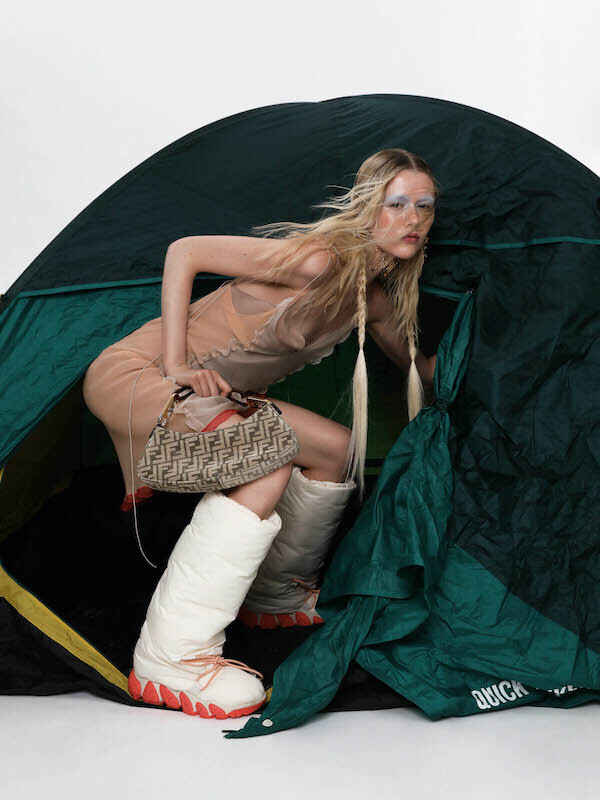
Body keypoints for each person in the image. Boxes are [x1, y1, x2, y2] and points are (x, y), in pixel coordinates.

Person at [82, 147, 439, 720]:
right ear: (368, 206)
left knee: (337, 449)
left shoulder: (371, 302)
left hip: (218, 395)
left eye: (425, 206)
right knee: (266, 459)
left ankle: (275, 595)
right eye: (397, 204)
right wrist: (176, 364)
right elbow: (185, 251)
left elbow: (423, 370)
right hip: (139, 375)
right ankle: (169, 659)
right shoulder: (317, 262)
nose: (413, 218)